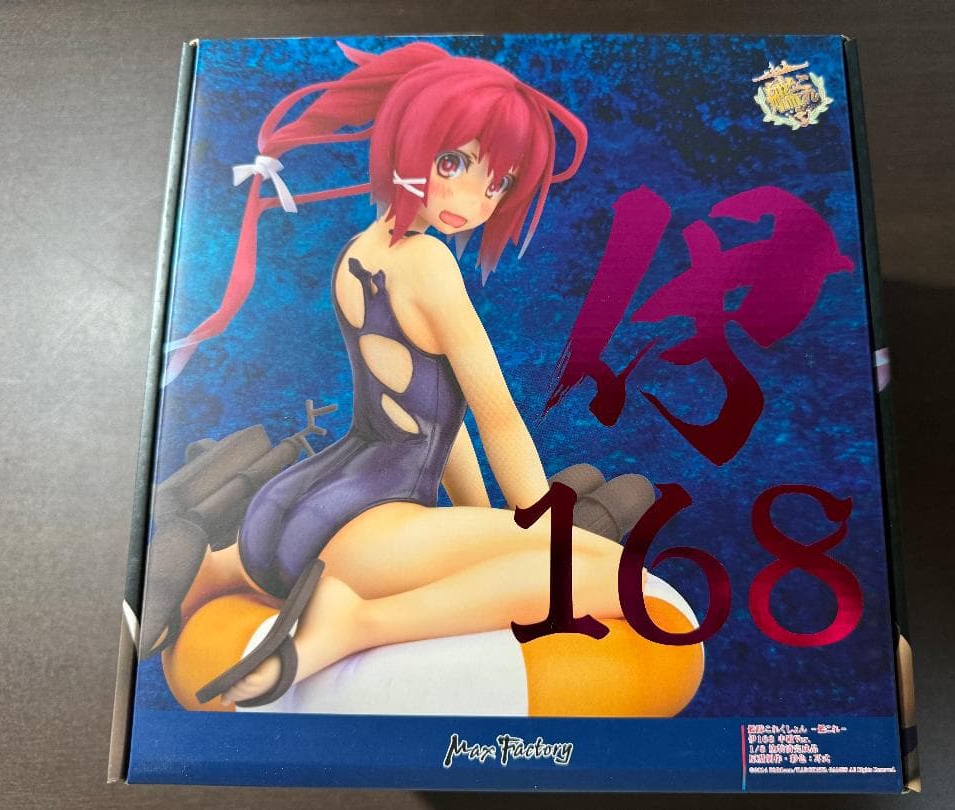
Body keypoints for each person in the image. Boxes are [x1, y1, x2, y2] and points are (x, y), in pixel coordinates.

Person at [143, 40, 651, 708]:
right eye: (453, 163)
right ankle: (356, 621)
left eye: (497, 182)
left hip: (278, 516)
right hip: (359, 535)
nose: (471, 198)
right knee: (611, 576)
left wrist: (483, 524)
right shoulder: (428, 264)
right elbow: (496, 419)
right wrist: (542, 539)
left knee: (501, 532)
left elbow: (435, 419)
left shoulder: (358, 251)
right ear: (407, 141)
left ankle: (204, 572)